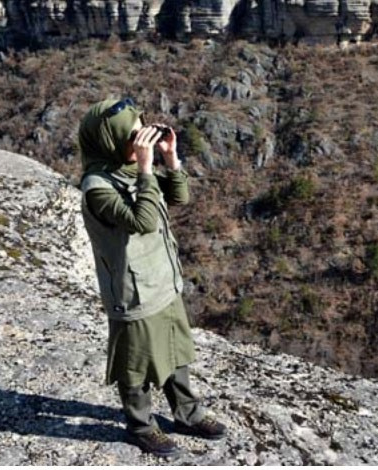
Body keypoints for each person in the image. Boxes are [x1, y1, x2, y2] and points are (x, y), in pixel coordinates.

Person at [77, 98, 226, 457]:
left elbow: (179, 197)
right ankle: (141, 426)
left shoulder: (128, 171)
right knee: (136, 365)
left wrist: (170, 158)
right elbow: (142, 221)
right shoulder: (97, 186)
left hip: (163, 279)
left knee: (176, 352)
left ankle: (188, 414)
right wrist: (145, 168)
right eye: (132, 138)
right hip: (133, 291)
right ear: (108, 140)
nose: (139, 143)